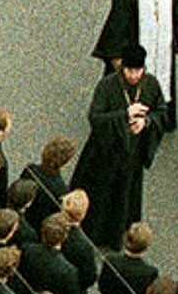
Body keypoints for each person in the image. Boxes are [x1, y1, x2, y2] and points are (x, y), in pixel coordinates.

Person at [70, 49, 166, 249]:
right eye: (129, 71)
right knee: (101, 195)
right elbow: (95, 118)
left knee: (124, 198)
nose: (133, 76)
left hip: (132, 154)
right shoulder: (108, 85)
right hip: (105, 153)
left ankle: (117, 236)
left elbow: (161, 113)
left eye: (137, 71)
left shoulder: (151, 85)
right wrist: (124, 115)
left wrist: (146, 123)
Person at [91, 0, 178, 134]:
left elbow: (177, 5)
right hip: (137, 43)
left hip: (162, 43)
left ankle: (159, 118)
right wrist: (117, 56)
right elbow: (117, 22)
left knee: (162, 79)